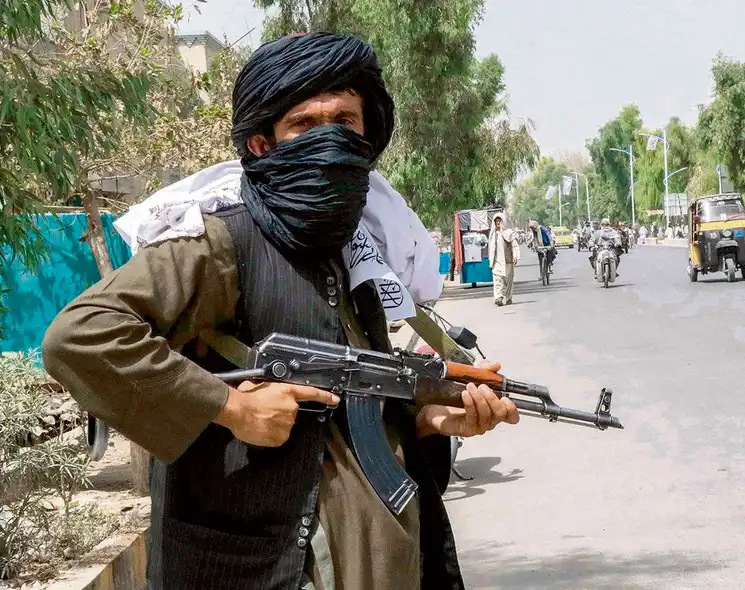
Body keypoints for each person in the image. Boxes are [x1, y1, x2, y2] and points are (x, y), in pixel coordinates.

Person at [41, 33, 519, 590]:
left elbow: (350, 400)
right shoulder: (220, 244)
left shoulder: (354, 250)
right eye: (305, 126)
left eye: (345, 121)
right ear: (265, 143)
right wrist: (229, 407)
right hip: (262, 564)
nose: (330, 142)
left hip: (372, 557)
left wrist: (430, 421)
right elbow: (81, 334)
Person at [488, 212, 519, 306]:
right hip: (496, 261)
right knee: (498, 279)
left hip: (507, 261)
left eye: (500, 221)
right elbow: (491, 248)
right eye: (496, 221)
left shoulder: (509, 233)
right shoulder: (492, 234)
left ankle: (508, 298)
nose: (498, 223)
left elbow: (515, 245)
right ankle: (498, 297)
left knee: (508, 281)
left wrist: (515, 256)